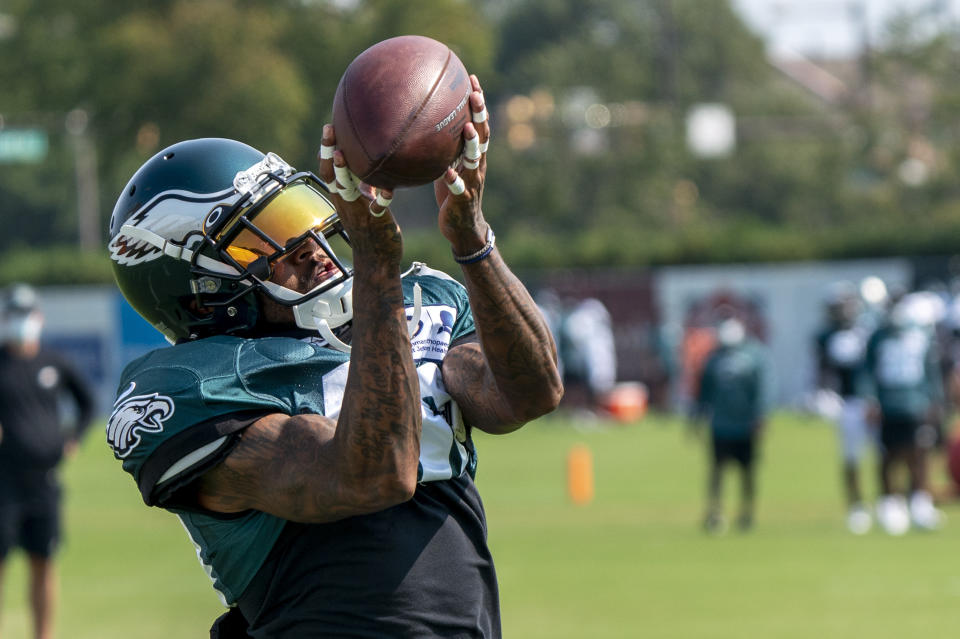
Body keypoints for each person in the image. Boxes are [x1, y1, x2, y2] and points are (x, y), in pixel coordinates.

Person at [105, 75, 563, 638]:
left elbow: (530, 392)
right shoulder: (193, 384)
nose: (309, 246)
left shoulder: (420, 299)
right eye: (265, 236)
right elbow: (371, 476)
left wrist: (471, 237)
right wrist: (376, 267)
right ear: (200, 289)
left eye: (297, 214)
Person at [0, 283, 95, 639]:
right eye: (14, 315)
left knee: (43, 561)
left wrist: (72, 439)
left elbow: (86, 404)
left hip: (45, 482)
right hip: (3, 481)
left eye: (26, 315)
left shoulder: (54, 362)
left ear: (37, 318)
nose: (21, 322)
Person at [865, 293, 945, 534]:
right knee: (889, 454)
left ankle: (920, 501)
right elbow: (868, 372)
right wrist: (871, 400)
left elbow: (931, 371)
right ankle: (891, 503)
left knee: (919, 453)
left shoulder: (922, 334)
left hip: (916, 403)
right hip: (888, 404)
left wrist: (935, 400)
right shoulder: (878, 336)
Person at [692, 317, 771, 534]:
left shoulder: (753, 357)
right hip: (721, 425)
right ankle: (715, 512)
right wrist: (697, 419)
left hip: (745, 425)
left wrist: (760, 417)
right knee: (717, 470)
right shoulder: (713, 359)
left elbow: (761, 390)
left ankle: (746, 512)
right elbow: (704, 392)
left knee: (747, 471)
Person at [814, 281, 875, 534]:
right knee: (851, 458)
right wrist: (824, 395)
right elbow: (822, 371)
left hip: (871, 401)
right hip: (846, 402)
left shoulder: (868, 332)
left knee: (886, 453)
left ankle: (888, 501)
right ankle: (856, 505)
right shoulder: (825, 336)